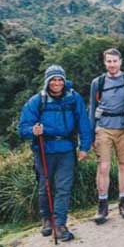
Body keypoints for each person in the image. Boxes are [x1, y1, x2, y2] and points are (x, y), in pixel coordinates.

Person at [19, 65, 92, 241]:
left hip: (67, 149)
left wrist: (84, 147)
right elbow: (23, 128)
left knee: (63, 188)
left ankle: (59, 224)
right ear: (47, 81)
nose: (57, 83)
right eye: (53, 79)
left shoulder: (73, 99)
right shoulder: (37, 101)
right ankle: (46, 219)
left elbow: (84, 123)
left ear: (64, 80)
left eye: (60, 79)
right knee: (45, 186)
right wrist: (33, 131)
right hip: (44, 150)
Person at [89, 48, 124, 224]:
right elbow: (92, 108)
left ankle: (123, 202)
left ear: (120, 62)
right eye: (109, 61)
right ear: (104, 62)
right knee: (103, 167)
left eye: (115, 61)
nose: (112, 64)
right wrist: (91, 134)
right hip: (103, 129)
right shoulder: (98, 82)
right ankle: (102, 205)